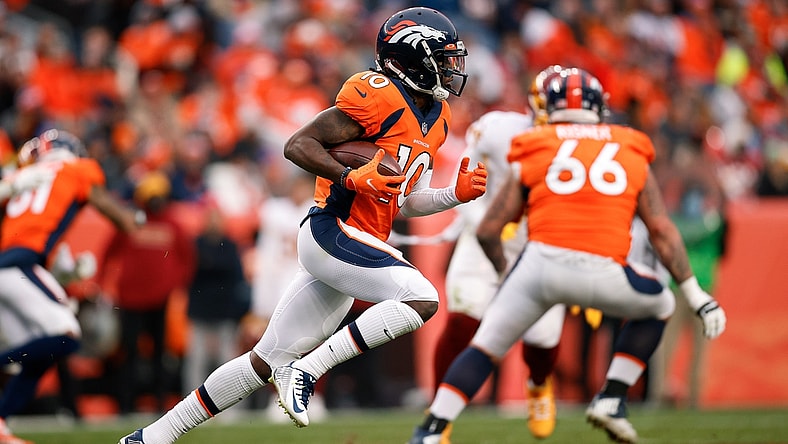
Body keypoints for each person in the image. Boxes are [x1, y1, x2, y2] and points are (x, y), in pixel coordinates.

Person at [119, 7, 486, 443]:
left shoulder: (437, 119)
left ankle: (152, 437)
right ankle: (308, 371)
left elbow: (401, 201)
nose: (451, 68)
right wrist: (349, 176)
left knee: (262, 360)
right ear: (411, 58)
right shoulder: (378, 93)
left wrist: (452, 196)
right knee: (421, 297)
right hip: (330, 229)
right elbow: (298, 145)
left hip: (358, 245)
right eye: (441, 58)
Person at [408, 68, 727, 444]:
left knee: (494, 344)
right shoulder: (628, 143)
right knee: (658, 301)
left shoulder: (537, 144)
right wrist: (695, 295)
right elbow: (657, 226)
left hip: (536, 256)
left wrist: (509, 270)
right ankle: (611, 397)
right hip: (579, 256)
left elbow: (491, 227)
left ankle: (432, 429)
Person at [432, 65, 570, 441]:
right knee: (464, 319)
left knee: (542, 337)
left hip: (540, 243)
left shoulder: (586, 147)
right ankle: (438, 412)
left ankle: (539, 385)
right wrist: (480, 221)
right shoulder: (497, 130)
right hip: (485, 238)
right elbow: (462, 179)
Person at [0, 129, 142, 444]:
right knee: (66, 336)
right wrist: (136, 217)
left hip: (15, 268)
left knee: (38, 354)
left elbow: (30, 230)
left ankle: (0, 423)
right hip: (18, 268)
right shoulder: (77, 170)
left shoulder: (23, 175)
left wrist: (65, 273)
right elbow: (118, 216)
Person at [100, 170, 195, 414]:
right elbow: (108, 253)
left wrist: (174, 284)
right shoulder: (131, 220)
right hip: (130, 299)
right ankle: (125, 405)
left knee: (159, 354)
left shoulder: (172, 223)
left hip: (159, 300)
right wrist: (102, 284)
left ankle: (160, 404)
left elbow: (187, 260)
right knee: (129, 353)